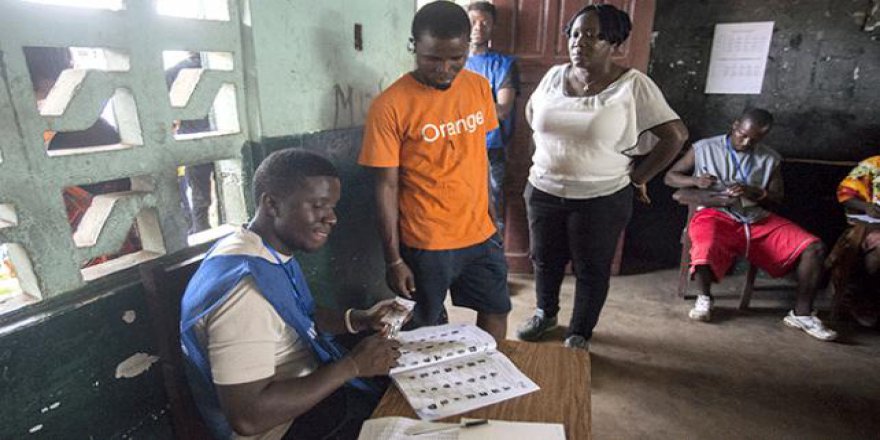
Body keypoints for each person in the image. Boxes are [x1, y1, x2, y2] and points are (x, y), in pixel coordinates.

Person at [180, 149, 406, 440]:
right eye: (318, 205)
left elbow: (297, 313)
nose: (332, 218)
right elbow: (248, 418)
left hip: (309, 392)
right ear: (272, 204)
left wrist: (359, 319)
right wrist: (353, 365)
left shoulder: (261, 248)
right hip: (281, 428)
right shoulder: (245, 293)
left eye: (332, 207)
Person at [515, 4, 688, 350]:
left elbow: (676, 135)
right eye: (575, 34)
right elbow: (534, 116)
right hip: (544, 190)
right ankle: (545, 314)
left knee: (591, 267)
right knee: (544, 260)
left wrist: (639, 177)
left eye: (592, 36)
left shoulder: (632, 85)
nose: (579, 42)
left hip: (602, 198)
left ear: (614, 44)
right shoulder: (553, 76)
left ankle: (580, 331)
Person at [358, 1, 510, 341]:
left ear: (468, 45)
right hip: (426, 242)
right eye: (432, 59)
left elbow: (479, 155)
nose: (444, 69)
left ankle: (493, 371)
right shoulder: (390, 105)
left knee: (496, 309)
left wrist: (491, 214)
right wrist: (393, 259)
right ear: (414, 46)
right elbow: (386, 187)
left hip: (481, 234)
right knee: (423, 328)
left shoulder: (477, 88)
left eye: (456, 58)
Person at [665, 108, 837, 341]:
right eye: (743, 135)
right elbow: (670, 177)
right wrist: (695, 180)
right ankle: (705, 297)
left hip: (755, 218)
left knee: (813, 247)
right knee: (705, 243)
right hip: (715, 213)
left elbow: (777, 197)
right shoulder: (704, 148)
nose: (746, 142)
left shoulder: (770, 158)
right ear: (735, 125)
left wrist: (754, 191)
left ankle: (802, 314)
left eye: (754, 139)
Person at [465, 1, 521, 235]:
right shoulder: (451, 62)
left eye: (484, 23)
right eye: (473, 22)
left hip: (490, 149)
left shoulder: (503, 65)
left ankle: (493, 255)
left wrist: (458, 104)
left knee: (492, 210)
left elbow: (503, 110)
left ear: (493, 27)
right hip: (452, 147)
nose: (478, 27)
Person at [165, 52, 215, 234]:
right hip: (218, 132)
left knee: (199, 190)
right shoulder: (215, 65)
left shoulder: (175, 71)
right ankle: (201, 227)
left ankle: (200, 229)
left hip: (193, 139)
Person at [831, 154, 880, 326]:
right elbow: (845, 194)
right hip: (869, 226)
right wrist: (866, 206)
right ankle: (862, 297)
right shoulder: (874, 165)